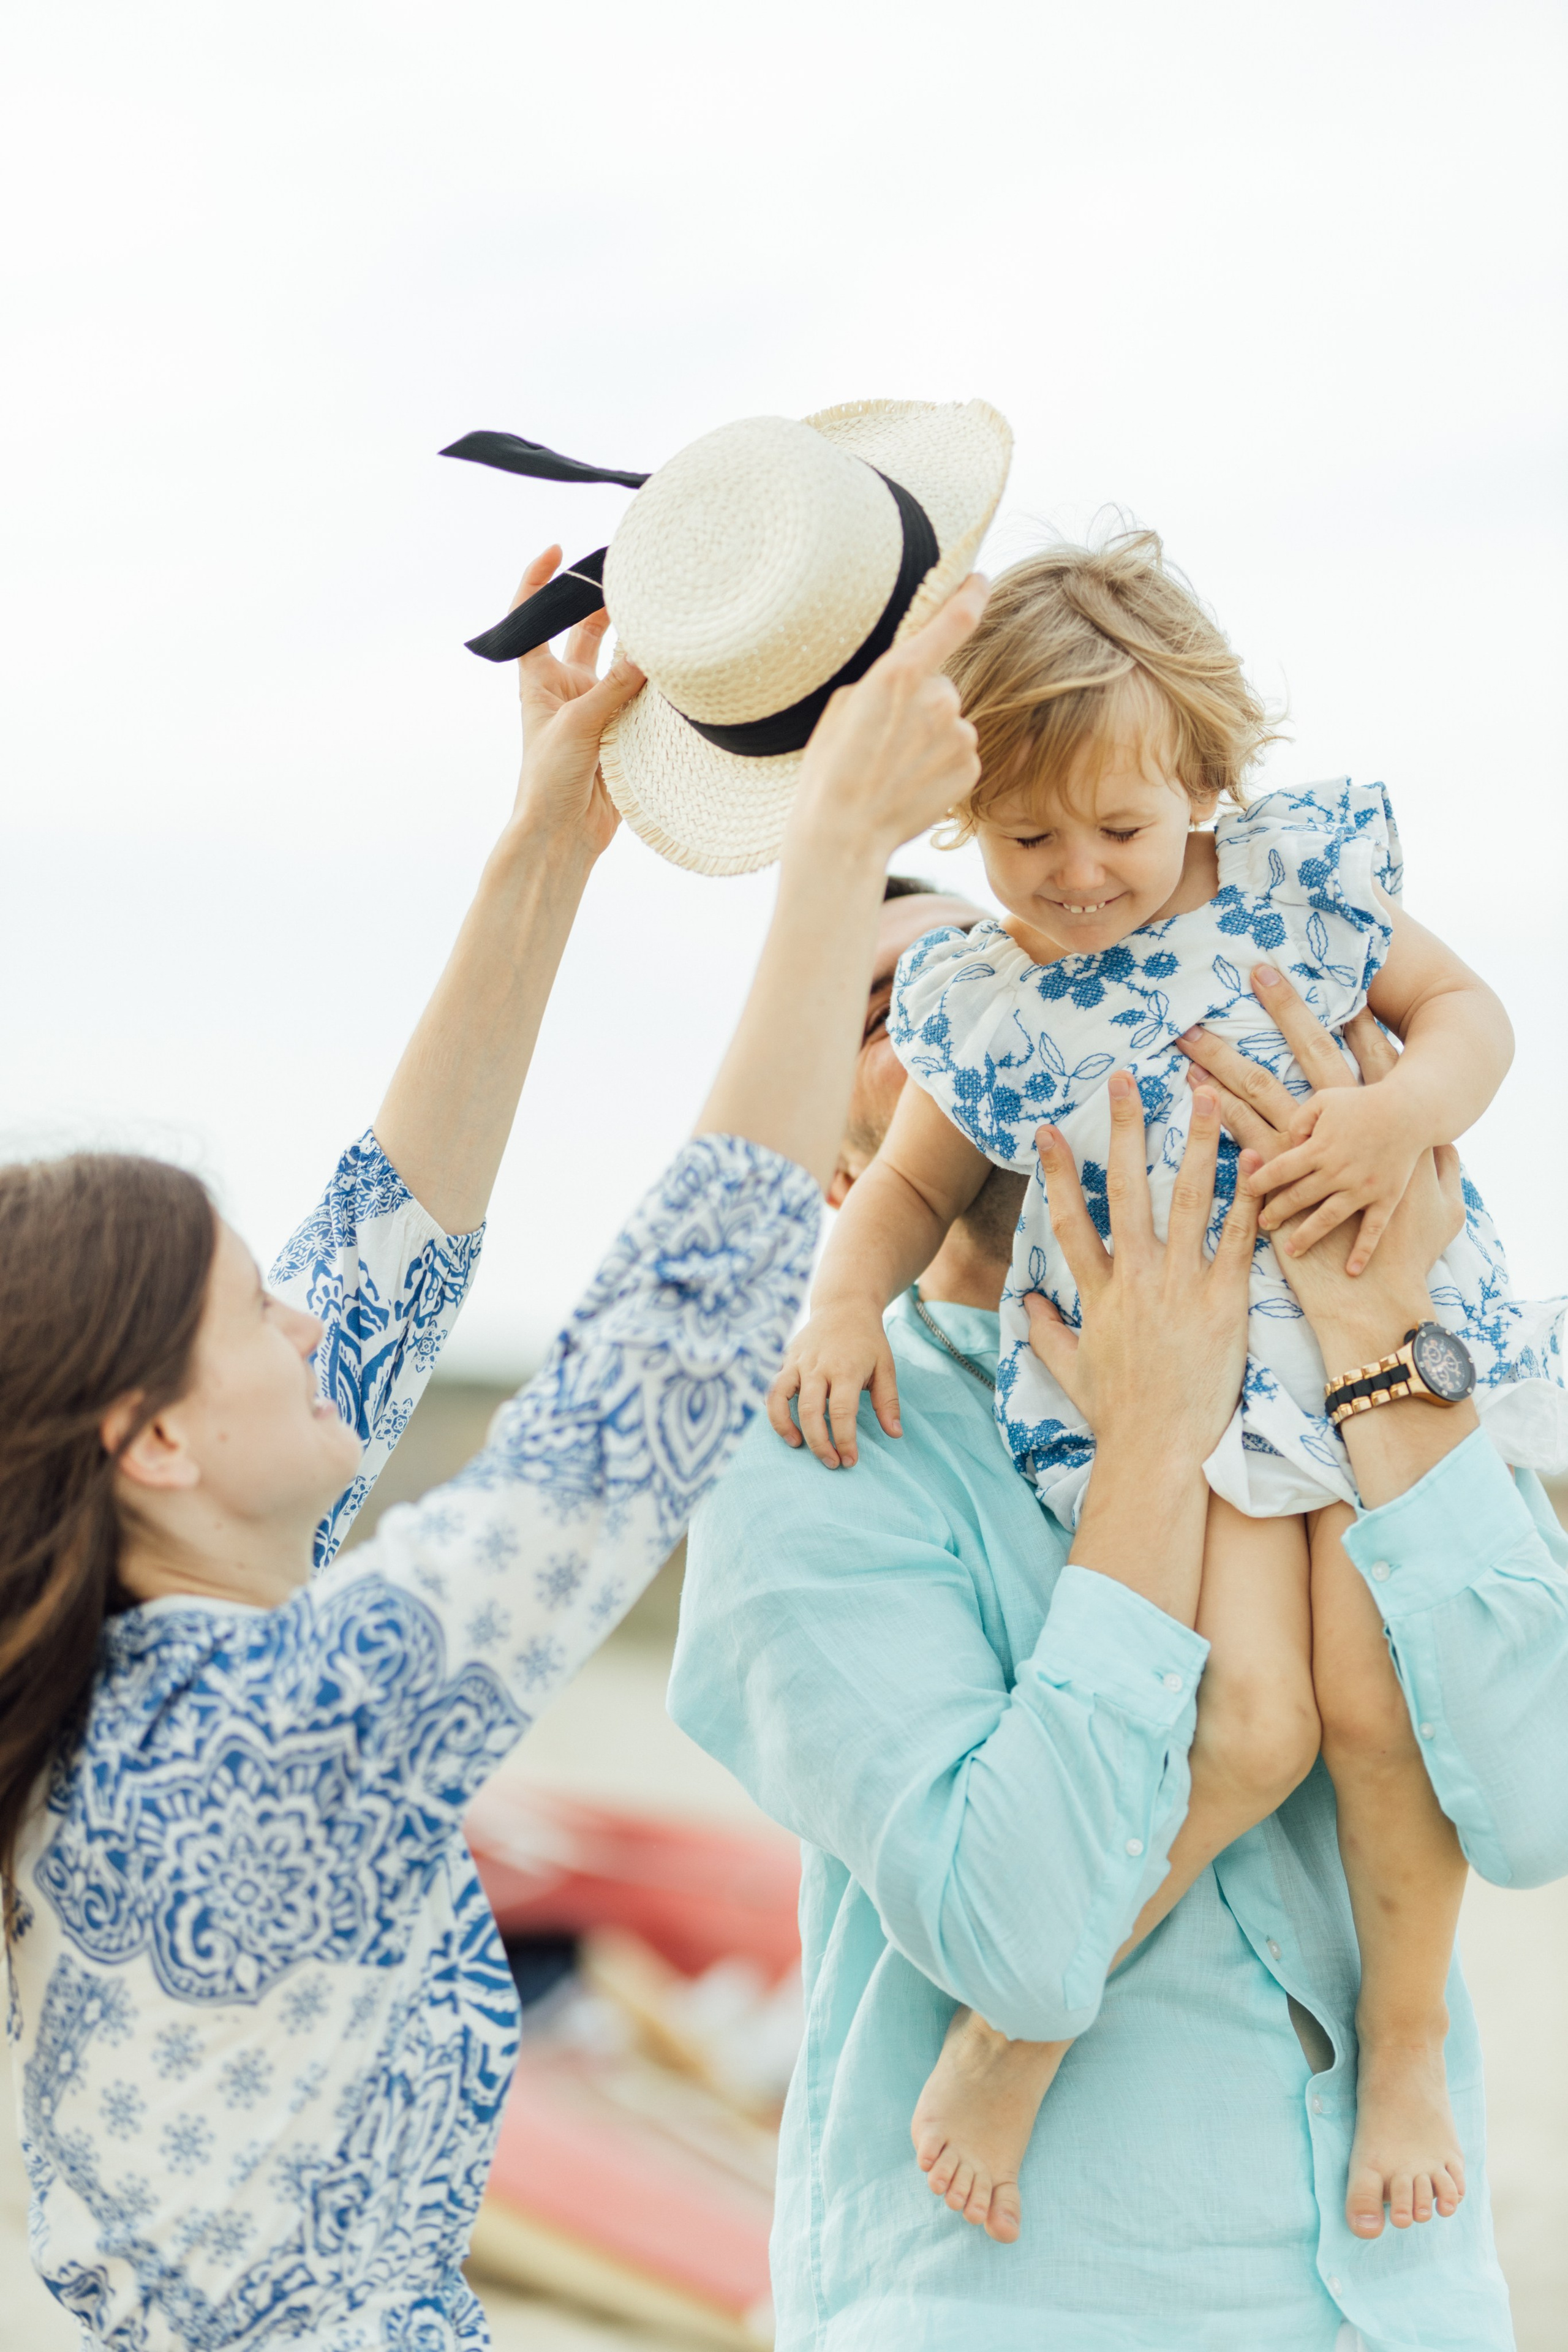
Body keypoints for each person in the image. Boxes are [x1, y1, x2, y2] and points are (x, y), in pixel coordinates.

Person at [0, 547, 988, 2352]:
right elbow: (645, 1386)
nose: (306, 1321)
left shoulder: (132, 1690)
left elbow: (382, 1253)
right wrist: (835, 860)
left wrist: (547, 841)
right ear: (146, 1440)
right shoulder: (263, 1732)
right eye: (249, 1311)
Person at [766, 532, 1565, 2245]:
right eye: (1021, 837)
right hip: (1172, 1391)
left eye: (1116, 833)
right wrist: (841, 1304)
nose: (1068, 879)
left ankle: (1407, 2046)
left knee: (1376, 1704)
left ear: (1202, 781)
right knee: (1256, 1719)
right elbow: (906, 1191)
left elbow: (1473, 1017)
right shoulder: (983, 1003)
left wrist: (1403, 1114)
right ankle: (1028, 2029)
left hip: (1353, 1356)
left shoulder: (1299, 887)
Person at [670, 955, 1568, 2351]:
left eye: (992, 970)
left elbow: (1535, 1809)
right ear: (850, 1184)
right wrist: (1150, 1443)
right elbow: (1013, 1935)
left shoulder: (1351, 1351)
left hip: (1399, 2300)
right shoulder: (811, 1452)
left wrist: (1366, 1334)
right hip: (1023, 2305)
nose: (964, 1013)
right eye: (876, 1018)